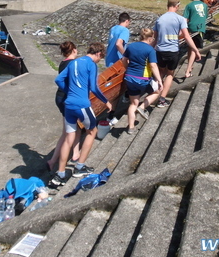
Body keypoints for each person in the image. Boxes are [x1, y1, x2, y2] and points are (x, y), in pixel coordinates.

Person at [50, 42, 112, 188]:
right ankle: (79, 167)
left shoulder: (73, 62)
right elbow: (94, 88)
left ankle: (60, 174)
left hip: (68, 105)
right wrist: (106, 101)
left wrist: (70, 90)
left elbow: (58, 80)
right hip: (82, 105)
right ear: (98, 53)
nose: (99, 60)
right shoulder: (91, 64)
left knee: (68, 138)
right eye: (100, 58)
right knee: (92, 131)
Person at [153, 0, 202, 107]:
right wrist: (196, 50)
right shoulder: (180, 19)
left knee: (160, 72)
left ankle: (153, 94)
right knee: (170, 74)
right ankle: (161, 100)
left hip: (160, 50)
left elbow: (155, 38)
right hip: (173, 51)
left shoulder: (160, 19)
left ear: (167, 6)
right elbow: (187, 37)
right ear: (177, 6)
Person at [121, 28, 163, 135]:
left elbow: (124, 60)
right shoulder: (150, 50)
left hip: (129, 78)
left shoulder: (131, 46)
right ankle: (142, 107)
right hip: (142, 79)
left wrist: (128, 69)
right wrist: (159, 80)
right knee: (157, 91)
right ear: (150, 38)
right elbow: (153, 66)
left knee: (133, 102)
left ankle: (131, 127)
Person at [47, 41, 80, 172]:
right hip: (67, 98)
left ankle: (75, 153)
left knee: (72, 128)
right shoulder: (73, 64)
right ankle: (54, 160)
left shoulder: (63, 63)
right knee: (69, 131)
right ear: (74, 50)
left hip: (59, 97)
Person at [183, 0, 208, 78]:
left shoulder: (189, 5)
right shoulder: (205, 5)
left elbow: (185, 19)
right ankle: (188, 71)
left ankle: (190, 66)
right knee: (194, 49)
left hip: (190, 28)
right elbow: (205, 16)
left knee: (191, 47)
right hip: (200, 28)